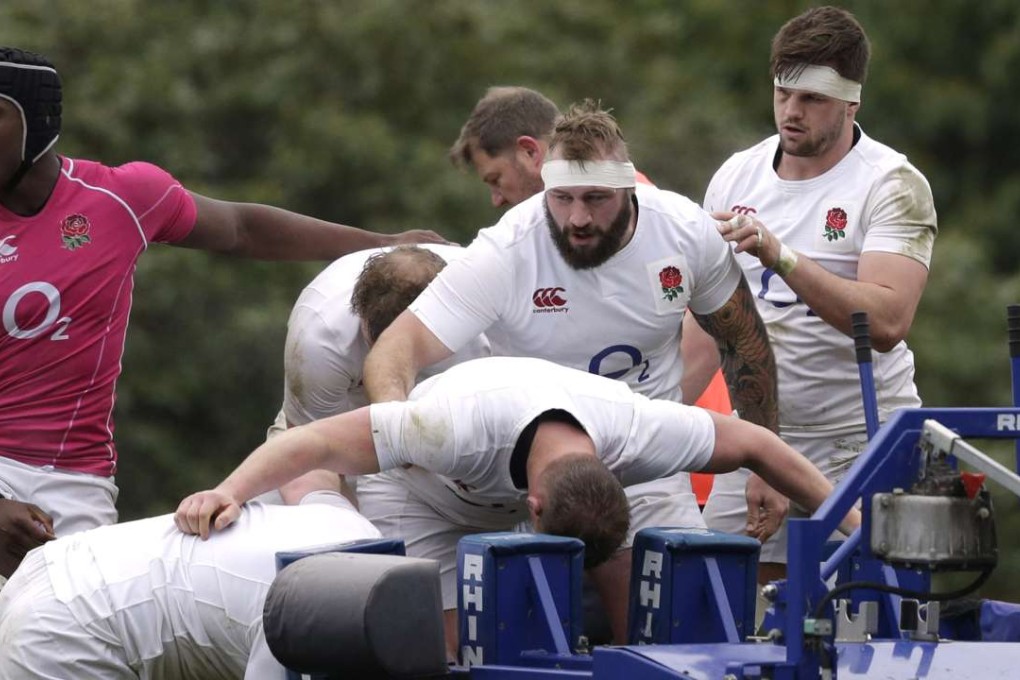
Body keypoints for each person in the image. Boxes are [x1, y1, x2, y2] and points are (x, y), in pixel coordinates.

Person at [361, 100, 784, 638]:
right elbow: (396, 350)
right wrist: (399, 427)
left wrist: (764, 466)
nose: (578, 218)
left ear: (630, 190)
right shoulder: (509, 248)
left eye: (595, 199)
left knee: (681, 637)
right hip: (530, 471)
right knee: (508, 646)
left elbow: (744, 342)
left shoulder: (683, 231)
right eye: (561, 198)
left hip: (641, 453)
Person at [0, 47, 447, 548]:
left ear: (37, 121)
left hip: (77, 484)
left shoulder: (121, 198)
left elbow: (242, 229)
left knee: (59, 622)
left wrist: (382, 244)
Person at [175, 357, 860, 653]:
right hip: (428, 494)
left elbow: (759, 445)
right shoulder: (448, 426)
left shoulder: (640, 434)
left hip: (526, 473)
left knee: (642, 636)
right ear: (533, 507)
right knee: (441, 652)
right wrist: (229, 490)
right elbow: (312, 438)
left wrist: (856, 524)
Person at [702, 6, 938, 584]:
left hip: (863, 436)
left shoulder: (892, 184)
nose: (791, 111)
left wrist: (781, 257)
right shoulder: (736, 175)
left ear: (852, 102)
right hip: (759, 433)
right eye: (783, 92)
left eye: (812, 98)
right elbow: (705, 327)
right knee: (722, 604)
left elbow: (887, 320)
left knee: (868, 613)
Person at [450, 86, 730, 504]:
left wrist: (634, 432)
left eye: (495, 178)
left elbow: (712, 335)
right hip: (600, 467)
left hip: (666, 470)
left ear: (530, 153)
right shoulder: (540, 236)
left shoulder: (628, 208)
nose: (495, 197)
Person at [0, 485, 381, 679]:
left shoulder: (361, 532)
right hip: (67, 624)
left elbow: (310, 461)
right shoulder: (307, 623)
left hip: (72, 575)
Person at [259, 244, 490, 506]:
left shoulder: (483, 315)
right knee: (307, 496)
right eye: (380, 344)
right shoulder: (319, 340)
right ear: (360, 311)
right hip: (341, 412)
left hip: (444, 424)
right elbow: (310, 448)